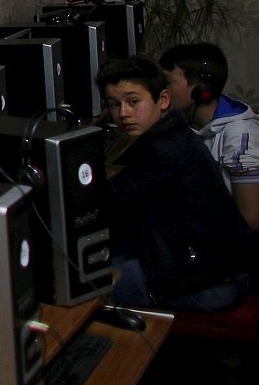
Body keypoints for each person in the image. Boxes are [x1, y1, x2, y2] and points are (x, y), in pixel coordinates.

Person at [96, 56, 250, 312]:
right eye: (114, 104)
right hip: (214, 268)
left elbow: (109, 201)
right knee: (113, 253)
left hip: (211, 284)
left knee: (87, 285)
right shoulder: (173, 132)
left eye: (133, 102)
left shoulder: (164, 149)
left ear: (163, 100)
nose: (123, 113)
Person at [160, 41, 259, 232]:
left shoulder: (240, 136)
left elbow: (249, 221)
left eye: (167, 82)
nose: (160, 91)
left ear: (201, 88)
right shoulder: (190, 126)